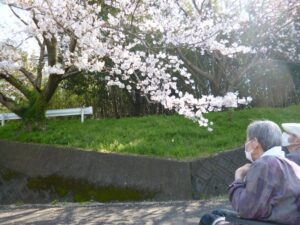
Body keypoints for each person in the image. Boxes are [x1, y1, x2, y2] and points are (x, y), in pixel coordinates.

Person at [199, 120, 300, 225]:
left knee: (208, 219)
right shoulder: (285, 161)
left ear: (255, 143)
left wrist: (238, 177)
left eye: (247, 140)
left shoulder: (265, 164)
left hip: (275, 221)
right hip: (281, 218)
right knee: (218, 213)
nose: (245, 144)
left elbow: (245, 209)